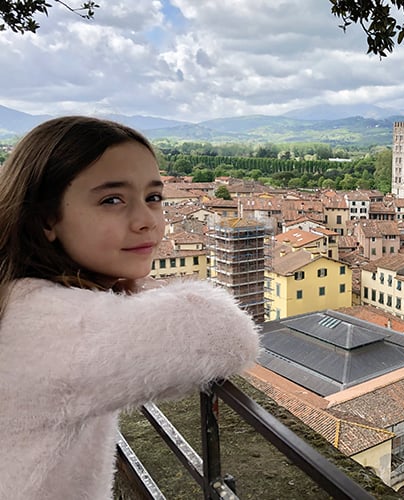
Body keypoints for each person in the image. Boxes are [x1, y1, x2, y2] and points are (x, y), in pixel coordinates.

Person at [0, 116, 259, 498]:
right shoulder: (52, 324)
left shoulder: (17, 297)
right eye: (112, 200)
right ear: (45, 219)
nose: (147, 222)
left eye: (153, 197)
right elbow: (229, 336)